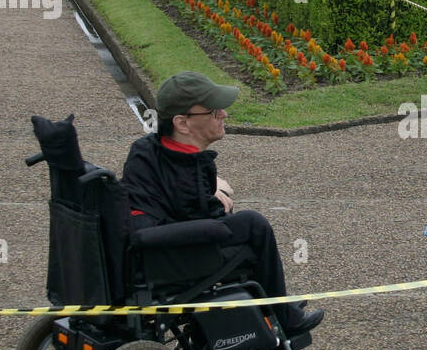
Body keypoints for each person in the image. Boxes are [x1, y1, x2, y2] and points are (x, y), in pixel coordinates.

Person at [121, 71, 324, 336]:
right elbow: (208, 220)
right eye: (214, 111)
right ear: (183, 123)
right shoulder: (188, 173)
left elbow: (175, 189)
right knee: (254, 227)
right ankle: (284, 316)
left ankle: (275, 298)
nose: (224, 115)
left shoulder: (149, 148)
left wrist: (210, 186)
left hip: (147, 240)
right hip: (167, 255)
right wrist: (222, 207)